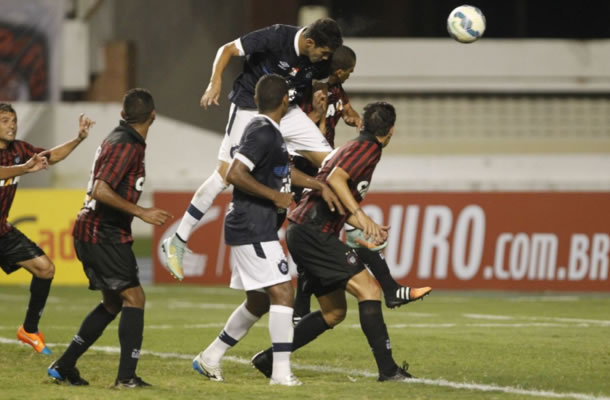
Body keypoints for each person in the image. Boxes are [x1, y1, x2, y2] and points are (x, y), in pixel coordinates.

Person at [251, 102, 427, 382]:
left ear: (363, 124)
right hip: (313, 231)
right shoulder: (368, 148)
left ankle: (269, 359)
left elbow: (335, 196)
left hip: (303, 230)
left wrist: (366, 225)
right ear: (391, 130)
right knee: (369, 290)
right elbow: (336, 180)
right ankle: (388, 370)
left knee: (333, 312)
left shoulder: (351, 147)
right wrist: (361, 215)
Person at [161, 18, 343, 281]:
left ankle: (352, 230)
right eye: (323, 53)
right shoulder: (276, 37)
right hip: (249, 109)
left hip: (288, 112)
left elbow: (319, 82)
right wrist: (215, 81)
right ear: (310, 42)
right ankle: (178, 239)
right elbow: (227, 49)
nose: (325, 59)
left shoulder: (321, 59)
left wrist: (322, 99)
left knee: (334, 162)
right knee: (224, 176)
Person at [192, 74, 343, 386]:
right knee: (283, 292)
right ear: (286, 101)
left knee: (259, 301)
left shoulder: (269, 131)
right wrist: (275, 196)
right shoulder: (262, 131)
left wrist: (316, 184)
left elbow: (284, 171)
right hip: (252, 225)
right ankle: (281, 373)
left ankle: (210, 356)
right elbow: (235, 173)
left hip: (255, 224)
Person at [292, 46, 430, 323]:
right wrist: (320, 118)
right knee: (317, 237)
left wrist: (355, 118)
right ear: (339, 70)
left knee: (352, 236)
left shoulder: (336, 91)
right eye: (350, 72)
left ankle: (389, 290)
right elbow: (300, 135)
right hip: (306, 173)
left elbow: (346, 110)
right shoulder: (311, 91)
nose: (350, 76)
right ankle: (300, 310)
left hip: (325, 164)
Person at [47, 89, 173, 388]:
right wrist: (141, 212)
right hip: (102, 232)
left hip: (96, 230)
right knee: (134, 298)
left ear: (122, 114)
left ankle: (64, 365)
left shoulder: (122, 139)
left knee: (113, 303)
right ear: (153, 115)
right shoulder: (125, 144)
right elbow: (100, 190)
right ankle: (126, 378)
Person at [0, 102, 93, 355]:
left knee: (45, 269)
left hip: (2, 232)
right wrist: (24, 168)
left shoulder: (20, 149)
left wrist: (78, 139)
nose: (12, 125)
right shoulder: (20, 161)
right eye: (5, 121)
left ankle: (29, 330)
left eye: (13, 120)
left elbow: (51, 156)